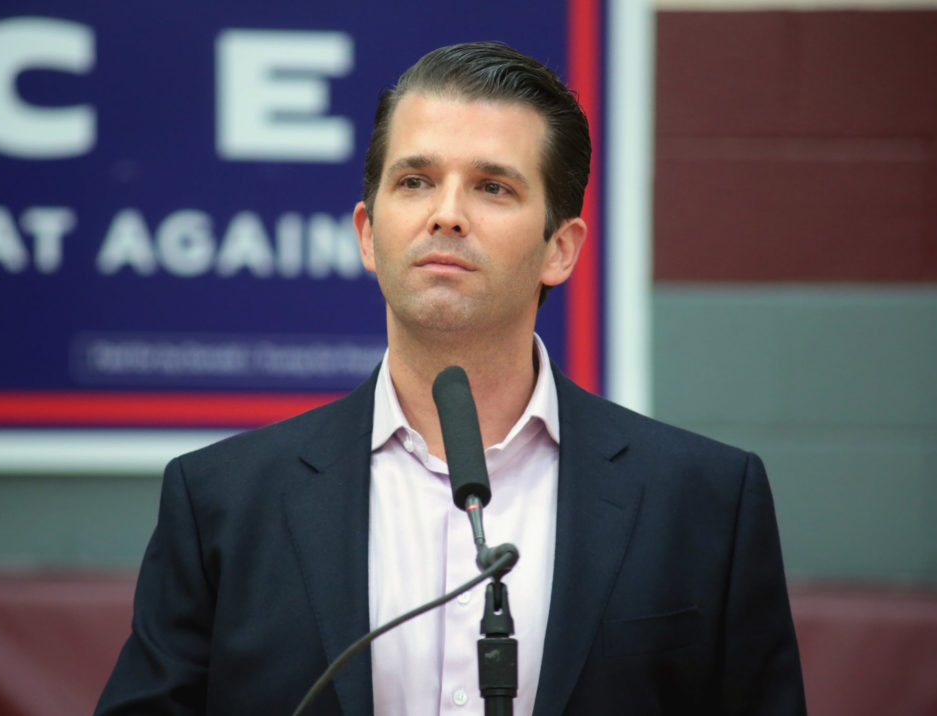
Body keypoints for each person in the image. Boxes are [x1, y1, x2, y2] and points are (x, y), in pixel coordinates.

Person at [96, 42, 806, 715]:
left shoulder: (706, 500)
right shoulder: (221, 501)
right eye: (415, 181)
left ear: (560, 248)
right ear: (369, 234)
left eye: (493, 187)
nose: (447, 214)